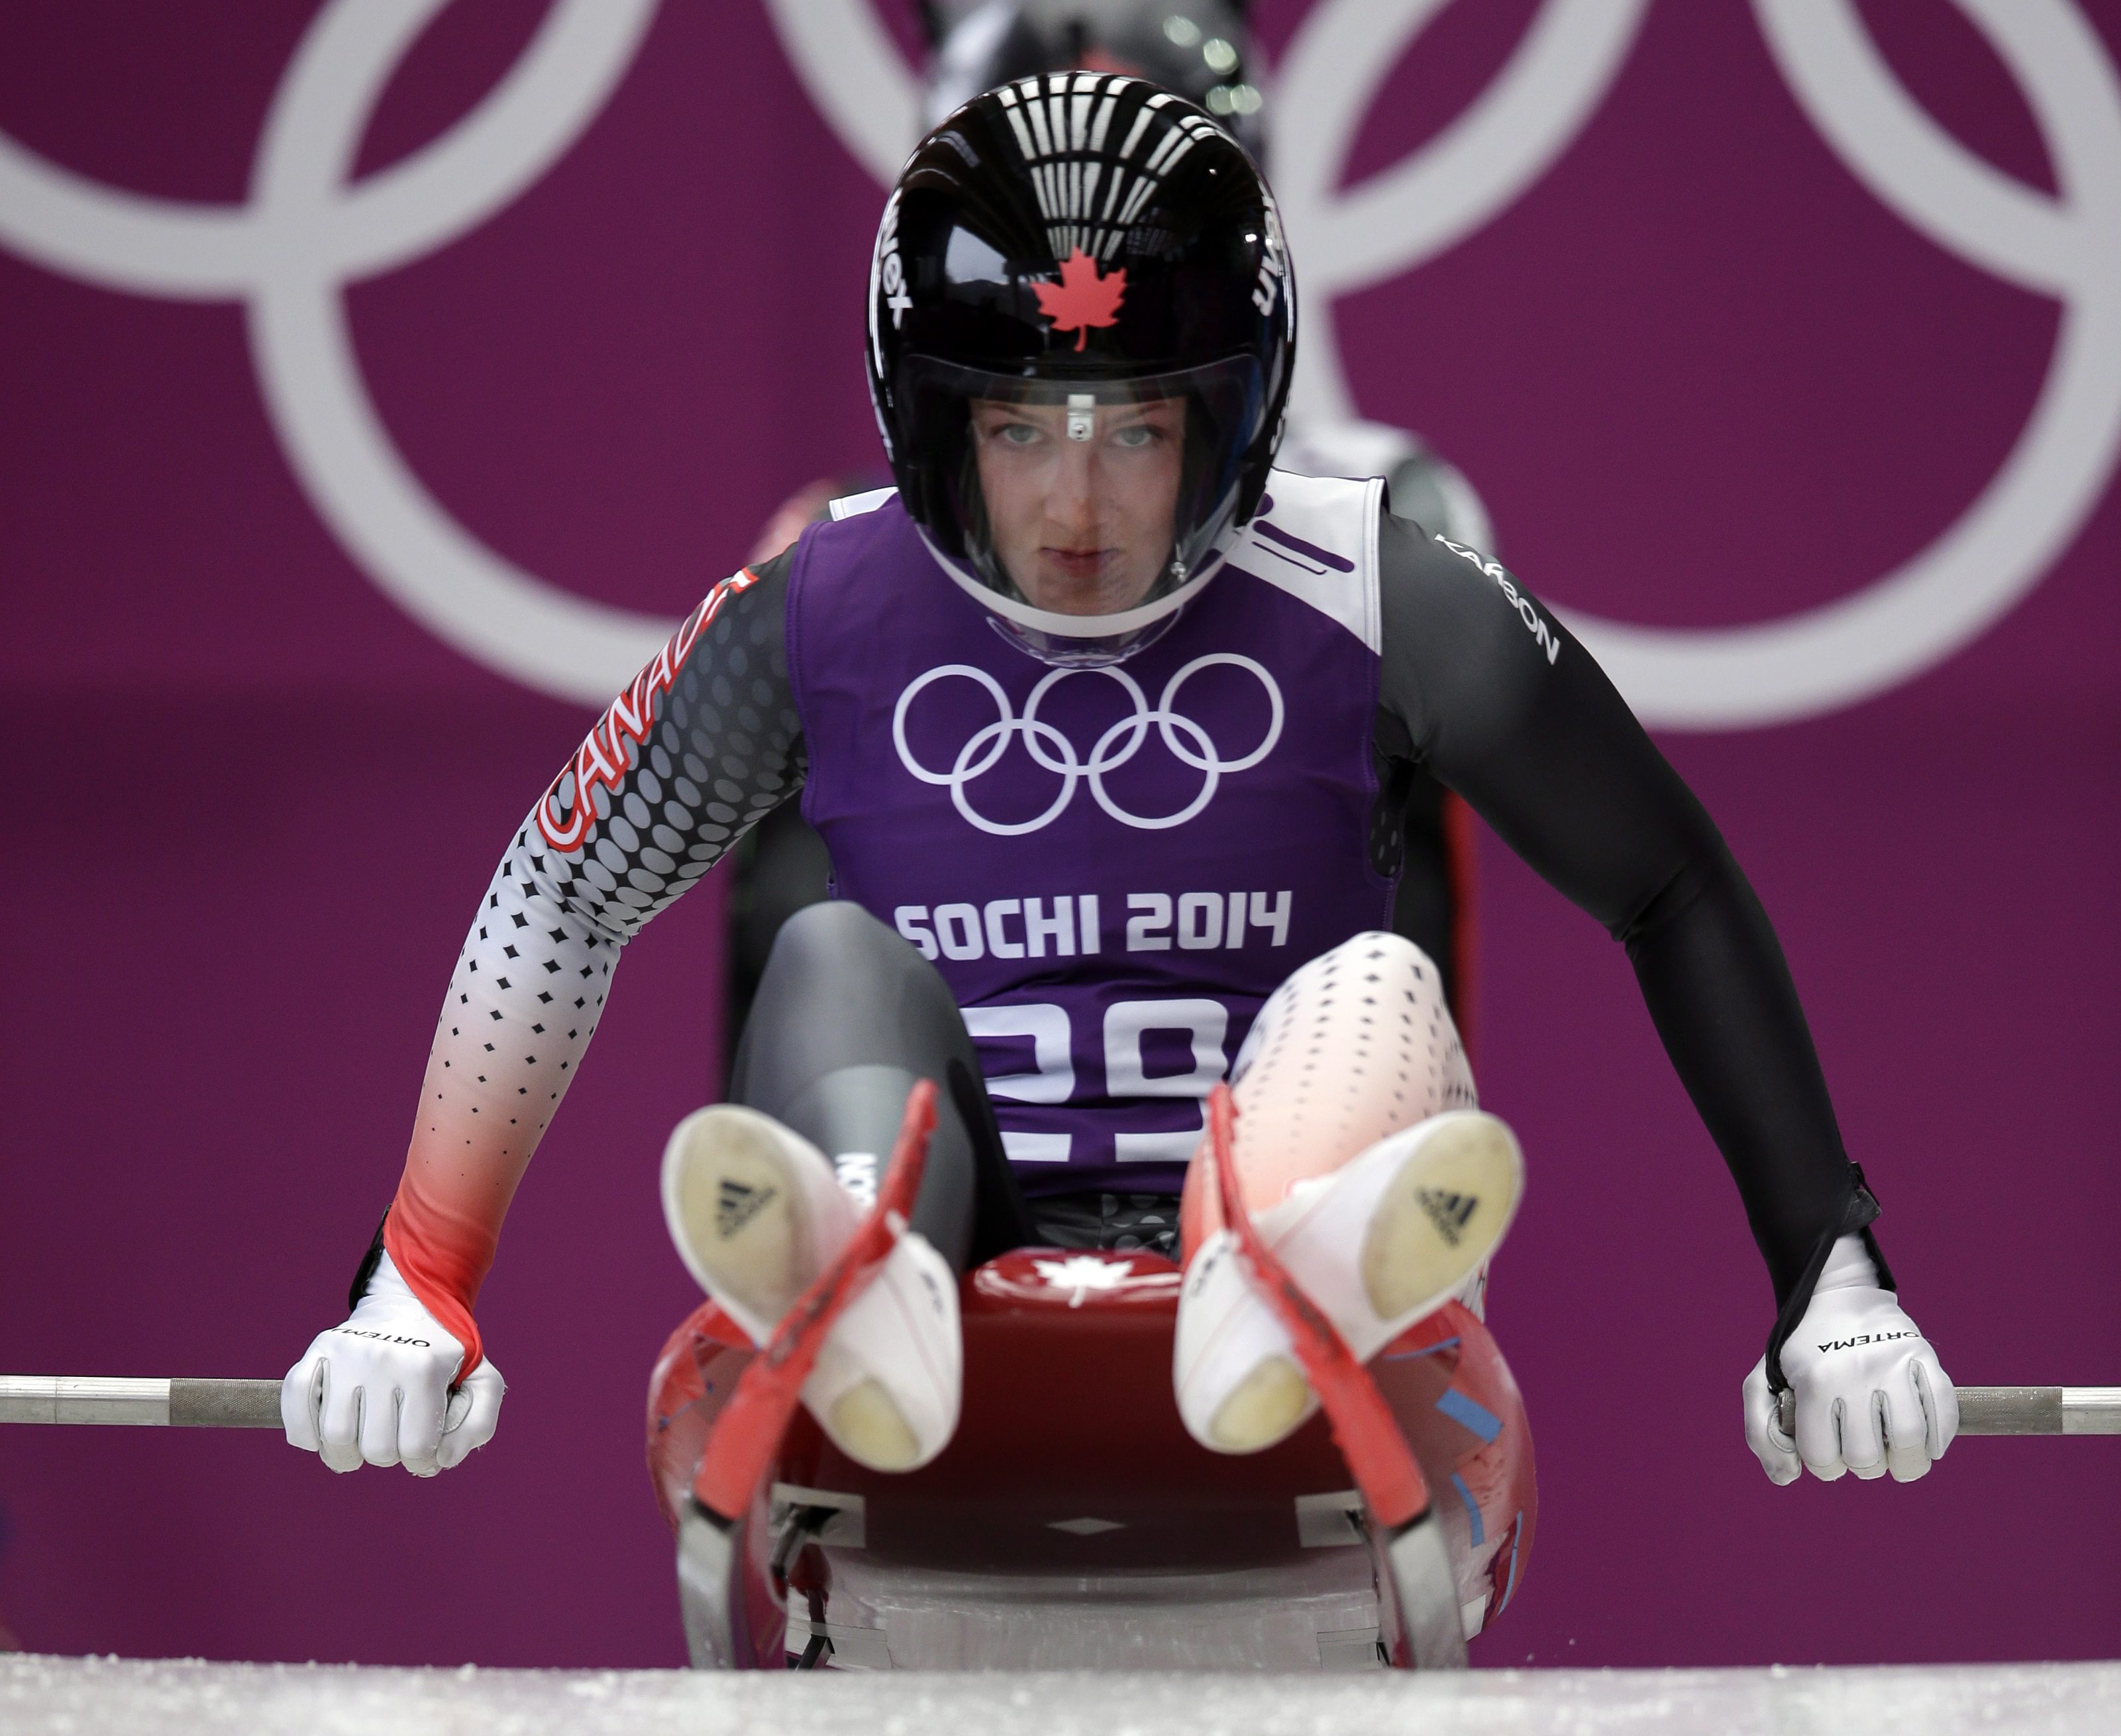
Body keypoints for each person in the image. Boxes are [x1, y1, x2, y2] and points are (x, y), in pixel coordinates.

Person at [283, 76, 1954, 1496]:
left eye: (1137, 429)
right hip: (949, 1248)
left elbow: (1667, 885)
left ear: (1233, 415)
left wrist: (1832, 1277)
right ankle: (869, 1297)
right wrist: (415, 1283)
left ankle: (1266, 1289)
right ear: (932, 420)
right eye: (1019, 429)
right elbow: (563, 889)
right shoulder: (816, 605)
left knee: (1376, 988)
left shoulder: (1381, 587)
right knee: (828, 958)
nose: (1075, 504)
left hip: (1291, 1205)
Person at [724, 1, 1490, 1112]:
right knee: (813, 625)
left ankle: (1347, 1201)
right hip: (949, 1120)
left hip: (1286, 1115)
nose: (1080, 243)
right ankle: (841, 1193)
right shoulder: (837, 543)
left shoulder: (1382, 509)